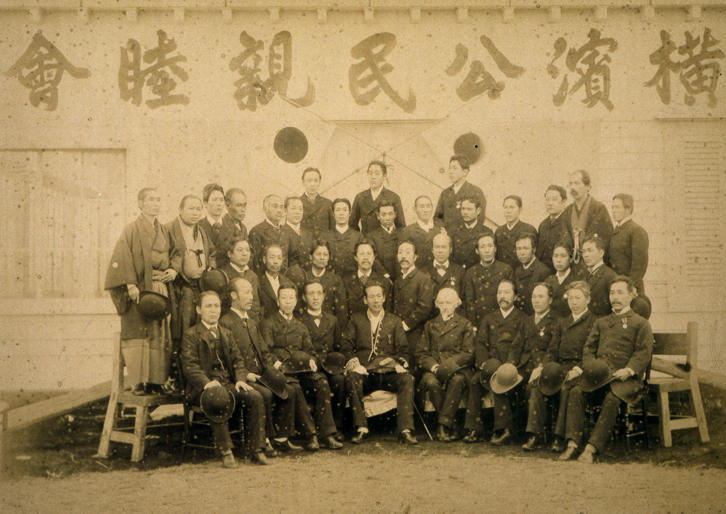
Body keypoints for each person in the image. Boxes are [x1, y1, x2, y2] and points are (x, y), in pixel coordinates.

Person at [559, 276, 653, 463]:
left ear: (631, 295)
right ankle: (572, 444)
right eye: (612, 293)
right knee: (576, 392)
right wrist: (590, 366)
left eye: (620, 293)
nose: (615, 297)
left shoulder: (640, 323)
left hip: (626, 379)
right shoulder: (601, 322)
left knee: (612, 399)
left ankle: (592, 448)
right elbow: (588, 349)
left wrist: (629, 370)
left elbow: (643, 353)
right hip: (600, 376)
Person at [180, 290, 268, 467]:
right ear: (199, 310)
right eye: (208, 306)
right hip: (202, 389)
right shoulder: (191, 334)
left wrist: (240, 379)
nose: (213, 310)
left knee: (255, 396)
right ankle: (226, 450)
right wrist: (206, 383)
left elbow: (238, 360)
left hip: (228, 383)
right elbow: (190, 366)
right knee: (217, 397)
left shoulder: (226, 333)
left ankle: (256, 449)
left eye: (217, 306)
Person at [105, 187, 175, 395]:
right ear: (140, 204)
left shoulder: (164, 230)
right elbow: (123, 256)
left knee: (159, 333)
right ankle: (138, 381)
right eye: (151, 199)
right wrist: (130, 284)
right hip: (139, 289)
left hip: (160, 287)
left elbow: (175, 254)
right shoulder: (131, 229)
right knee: (138, 334)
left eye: (158, 200)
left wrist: (173, 269)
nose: (155, 204)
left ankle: (157, 381)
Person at [220, 277, 300, 455]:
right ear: (233, 295)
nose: (251, 297)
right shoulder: (226, 322)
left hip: (261, 373)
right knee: (265, 393)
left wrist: (275, 366)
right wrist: (246, 374)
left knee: (289, 388)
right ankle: (264, 439)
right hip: (242, 377)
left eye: (252, 293)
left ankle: (281, 438)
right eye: (247, 292)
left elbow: (263, 351)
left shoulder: (252, 322)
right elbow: (229, 358)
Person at [260, 285, 343, 450]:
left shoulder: (300, 326)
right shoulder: (268, 323)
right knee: (295, 387)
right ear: (278, 301)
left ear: (296, 301)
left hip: (300, 369)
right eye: (284, 298)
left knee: (321, 382)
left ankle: (327, 434)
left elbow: (310, 351)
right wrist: (276, 363)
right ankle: (311, 435)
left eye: (291, 298)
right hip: (281, 371)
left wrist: (312, 360)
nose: (288, 301)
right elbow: (264, 352)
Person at [341, 280, 418, 445]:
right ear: (365, 300)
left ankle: (405, 430)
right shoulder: (356, 320)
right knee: (352, 378)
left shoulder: (394, 321)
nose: (375, 300)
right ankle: (361, 428)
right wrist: (356, 365)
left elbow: (403, 350)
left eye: (378, 296)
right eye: (371, 297)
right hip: (365, 373)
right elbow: (346, 346)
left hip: (389, 373)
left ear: (384, 298)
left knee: (407, 379)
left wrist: (398, 364)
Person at [522, 280, 596, 451]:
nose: (574, 302)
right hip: (560, 367)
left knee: (565, 388)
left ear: (587, 299)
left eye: (578, 298)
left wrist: (578, 369)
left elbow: (592, 352)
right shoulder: (563, 322)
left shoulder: (594, 322)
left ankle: (559, 437)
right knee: (537, 385)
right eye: (570, 298)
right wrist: (542, 367)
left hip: (580, 370)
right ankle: (535, 434)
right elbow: (552, 350)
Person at [463, 280, 526, 443]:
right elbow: (481, 343)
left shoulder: (522, 319)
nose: (502, 296)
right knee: (475, 380)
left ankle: (503, 429)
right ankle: (474, 428)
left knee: (501, 378)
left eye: (507, 292)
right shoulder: (489, 318)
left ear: (515, 296)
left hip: (512, 366)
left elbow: (519, 346)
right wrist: (483, 362)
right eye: (499, 292)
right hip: (491, 363)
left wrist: (510, 364)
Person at [416, 288, 475, 441]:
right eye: (441, 302)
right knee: (431, 382)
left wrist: (448, 366)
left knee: (457, 381)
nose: (445, 306)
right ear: (436, 304)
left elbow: (468, 353)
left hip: (457, 369)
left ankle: (443, 426)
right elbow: (421, 353)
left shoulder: (465, 324)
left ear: (457, 303)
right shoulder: (430, 325)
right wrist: (434, 367)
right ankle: (451, 424)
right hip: (435, 369)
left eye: (448, 302)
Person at [166, 195, 216, 352]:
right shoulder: (169, 229)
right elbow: (163, 255)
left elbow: (212, 252)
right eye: (191, 208)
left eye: (198, 209)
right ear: (180, 210)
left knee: (200, 323)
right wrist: (173, 268)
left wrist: (211, 266)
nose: (195, 213)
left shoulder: (201, 231)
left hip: (200, 285)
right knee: (183, 324)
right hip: (180, 286)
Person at [298, 280, 347, 436]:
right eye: (311, 293)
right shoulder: (299, 321)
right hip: (310, 367)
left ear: (324, 296)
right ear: (304, 297)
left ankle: (337, 427)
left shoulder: (332, 320)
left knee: (340, 380)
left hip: (329, 365)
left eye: (319, 293)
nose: (315, 297)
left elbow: (338, 346)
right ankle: (322, 431)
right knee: (322, 382)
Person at [392, 241, 435, 368]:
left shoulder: (423, 279)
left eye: (408, 252)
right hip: (397, 331)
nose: (403, 256)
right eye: (400, 252)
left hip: (415, 332)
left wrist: (405, 325)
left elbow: (424, 307)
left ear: (415, 257)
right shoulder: (397, 280)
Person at [462, 234, 513, 328]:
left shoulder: (505, 270)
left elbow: (510, 300)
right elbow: (469, 303)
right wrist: (473, 326)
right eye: (482, 247)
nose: (487, 250)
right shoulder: (470, 273)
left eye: (490, 246)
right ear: (477, 251)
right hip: (479, 323)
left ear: (495, 248)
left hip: (502, 323)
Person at [295, 239, 348, 329]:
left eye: (325, 254)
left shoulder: (335, 280)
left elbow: (341, 311)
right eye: (318, 254)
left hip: (329, 327)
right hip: (305, 326)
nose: (322, 258)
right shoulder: (303, 277)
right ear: (311, 257)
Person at [564, 169, 613, 263]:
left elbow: (607, 239)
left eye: (577, 183)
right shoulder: (568, 211)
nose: (573, 187)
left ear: (588, 187)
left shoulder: (598, 208)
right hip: (574, 262)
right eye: (570, 184)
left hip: (594, 261)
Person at [608, 193, 649, 295]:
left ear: (628, 209)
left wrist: (630, 287)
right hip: (616, 286)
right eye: (612, 207)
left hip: (630, 289)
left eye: (617, 207)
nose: (613, 211)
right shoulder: (615, 231)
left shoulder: (636, 231)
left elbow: (639, 266)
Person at [350, 160, 405, 235]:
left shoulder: (394, 197)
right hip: (366, 241)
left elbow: (401, 227)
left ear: (384, 176)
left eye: (377, 174)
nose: (373, 177)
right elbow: (352, 224)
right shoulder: (360, 197)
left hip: (386, 240)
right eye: (370, 173)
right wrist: (360, 238)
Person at [434, 154, 486, 230]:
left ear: (465, 172)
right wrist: (442, 231)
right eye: (450, 168)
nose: (451, 172)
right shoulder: (445, 193)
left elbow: (480, 218)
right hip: (445, 234)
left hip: (466, 235)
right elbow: (437, 218)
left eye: (454, 168)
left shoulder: (476, 192)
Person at [343, 240, 392, 317]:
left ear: (374, 257)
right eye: (362, 254)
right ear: (355, 257)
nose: (365, 257)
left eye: (369, 254)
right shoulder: (345, 281)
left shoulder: (384, 281)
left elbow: (387, 312)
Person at [398, 195, 446, 270]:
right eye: (422, 206)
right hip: (417, 273)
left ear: (432, 209)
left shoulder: (440, 230)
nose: (425, 210)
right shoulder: (407, 231)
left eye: (428, 206)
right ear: (415, 209)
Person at [220, 237, 261, 321]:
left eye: (247, 250)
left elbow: (256, 305)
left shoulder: (253, 275)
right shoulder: (222, 275)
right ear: (230, 254)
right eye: (240, 250)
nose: (244, 253)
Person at [248, 194, 291, 273]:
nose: (279, 210)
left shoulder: (286, 231)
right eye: (275, 206)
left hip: (283, 277)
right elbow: (254, 262)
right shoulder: (257, 231)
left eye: (281, 207)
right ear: (265, 209)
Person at [449, 196, 494, 269]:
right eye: (463, 209)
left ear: (478, 211)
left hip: (477, 272)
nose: (465, 212)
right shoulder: (453, 230)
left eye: (469, 209)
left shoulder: (486, 231)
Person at [494, 195, 538, 271]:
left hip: (522, 272)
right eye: (505, 207)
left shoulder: (529, 229)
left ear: (520, 209)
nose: (508, 211)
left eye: (512, 207)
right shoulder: (499, 231)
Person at [420, 232, 465, 302]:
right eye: (437, 247)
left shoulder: (460, 271)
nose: (440, 251)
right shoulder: (422, 272)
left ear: (450, 250)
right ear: (432, 250)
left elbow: (463, 298)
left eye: (444, 247)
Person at [513, 233, 551, 315]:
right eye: (519, 249)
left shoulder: (543, 271)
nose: (522, 253)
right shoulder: (517, 271)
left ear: (534, 249)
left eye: (525, 248)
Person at [324, 198, 363, 277]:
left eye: (345, 210)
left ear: (350, 213)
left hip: (353, 278)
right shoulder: (325, 236)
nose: (341, 213)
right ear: (333, 214)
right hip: (331, 277)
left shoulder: (358, 236)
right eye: (338, 210)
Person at [536, 185, 572, 273]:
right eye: (547, 200)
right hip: (544, 272)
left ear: (564, 202)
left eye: (554, 199)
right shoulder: (543, 225)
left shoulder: (570, 222)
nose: (550, 203)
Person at [544, 243, 584, 319]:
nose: (558, 260)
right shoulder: (549, 280)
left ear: (570, 259)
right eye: (555, 256)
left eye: (563, 256)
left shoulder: (577, 280)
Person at [257, 244, 296, 320]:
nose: (275, 262)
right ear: (264, 259)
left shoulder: (288, 283)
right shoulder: (258, 281)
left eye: (279, 258)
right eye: (272, 257)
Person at [581, 236, 617, 317]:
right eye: (583, 252)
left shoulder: (610, 276)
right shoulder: (584, 274)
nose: (586, 255)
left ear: (601, 253)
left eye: (590, 251)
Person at [214, 187, 249, 269]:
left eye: (244, 205)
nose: (243, 210)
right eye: (239, 205)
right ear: (227, 206)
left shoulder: (243, 228)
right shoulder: (220, 226)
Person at [368, 201, 400, 278]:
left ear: (395, 215)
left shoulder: (402, 233)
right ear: (378, 216)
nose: (387, 218)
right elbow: (373, 259)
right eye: (384, 214)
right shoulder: (371, 236)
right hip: (381, 276)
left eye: (390, 214)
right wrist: (384, 274)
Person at [300, 167, 335, 238]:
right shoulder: (297, 203)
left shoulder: (328, 203)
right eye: (309, 180)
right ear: (303, 182)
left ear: (319, 182)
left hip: (324, 243)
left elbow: (333, 229)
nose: (312, 184)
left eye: (316, 181)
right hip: (304, 242)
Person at [283, 196, 314, 270]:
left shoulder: (308, 234)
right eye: (293, 208)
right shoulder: (280, 232)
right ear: (285, 211)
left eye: (300, 209)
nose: (297, 212)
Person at [198, 183, 227, 250]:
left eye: (221, 200)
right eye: (215, 200)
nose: (219, 204)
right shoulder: (198, 227)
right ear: (205, 203)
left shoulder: (231, 226)